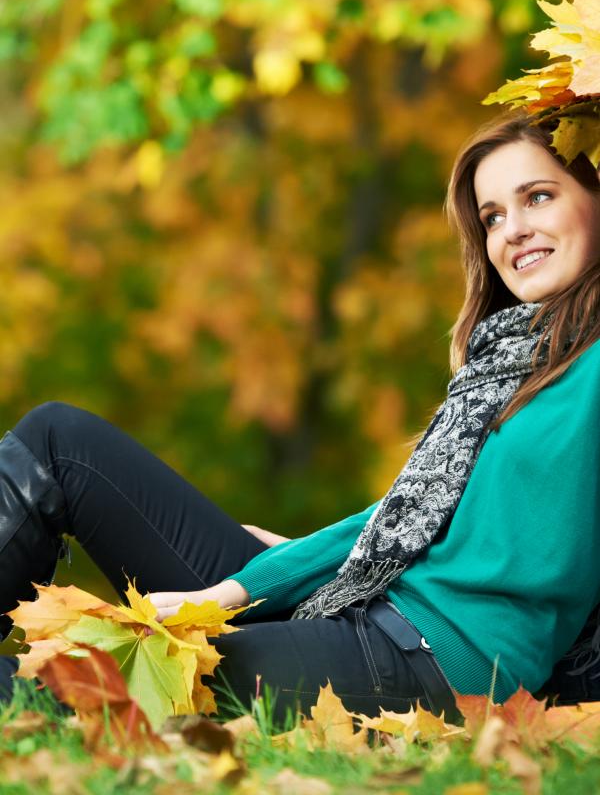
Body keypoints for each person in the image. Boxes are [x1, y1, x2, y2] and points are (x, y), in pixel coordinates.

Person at [1, 108, 600, 725]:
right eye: (493, 217)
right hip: (361, 604)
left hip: (433, 665)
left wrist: (226, 594)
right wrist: (279, 571)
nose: (513, 230)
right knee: (59, 441)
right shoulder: (511, 362)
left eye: (538, 197)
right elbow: (405, 521)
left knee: (101, 678)